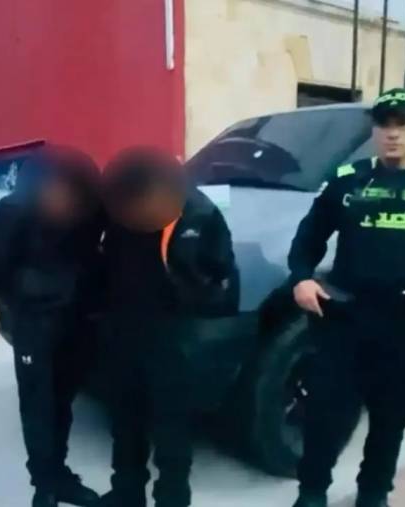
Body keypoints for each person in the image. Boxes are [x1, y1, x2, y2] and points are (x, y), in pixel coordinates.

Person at [288, 88, 405, 507]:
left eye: (403, 124)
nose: (393, 133)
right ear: (375, 131)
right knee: (326, 414)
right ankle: (311, 492)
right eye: (384, 125)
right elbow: (308, 239)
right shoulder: (347, 180)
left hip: (403, 322)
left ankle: (374, 494)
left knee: (390, 418)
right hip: (343, 319)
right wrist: (301, 278)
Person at [97, 148, 238, 507]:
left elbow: (223, 279)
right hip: (122, 329)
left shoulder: (200, 213)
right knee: (125, 422)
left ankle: (172, 497)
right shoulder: (115, 205)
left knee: (171, 428)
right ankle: (127, 493)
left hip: (173, 336)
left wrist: (192, 300)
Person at [0, 146, 105, 507]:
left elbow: (93, 253)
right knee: (37, 405)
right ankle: (44, 487)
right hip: (34, 322)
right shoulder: (13, 211)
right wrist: (24, 298)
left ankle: (58, 475)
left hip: (77, 318)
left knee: (63, 400)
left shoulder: (90, 208)